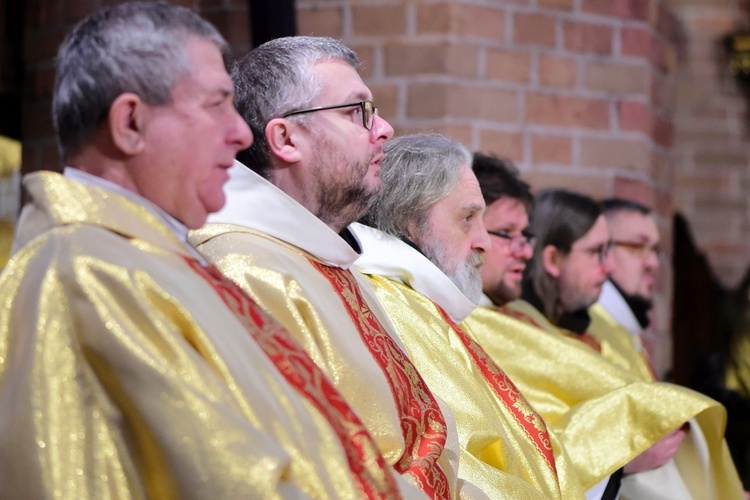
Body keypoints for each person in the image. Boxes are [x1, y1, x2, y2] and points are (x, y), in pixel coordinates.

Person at [0, 3, 410, 498]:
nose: (240, 134)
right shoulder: (94, 272)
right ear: (131, 123)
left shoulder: (150, 260)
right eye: (216, 105)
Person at [191, 36, 468, 499]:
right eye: (356, 111)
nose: (384, 128)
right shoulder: (242, 271)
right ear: (285, 138)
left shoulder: (327, 257)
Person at [465, 154, 747, 498]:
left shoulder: (517, 315)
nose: (524, 250)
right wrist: (618, 456)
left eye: (524, 235)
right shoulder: (476, 322)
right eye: (508, 234)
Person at [354, 133, 587, 499]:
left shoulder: (422, 303)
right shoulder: (393, 306)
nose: (486, 242)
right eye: (467, 218)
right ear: (411, 222)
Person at [590, 198, 662, 380]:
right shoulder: (593, 332)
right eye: (638, 246)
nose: (653, 263)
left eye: (655, 249)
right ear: (603, 248)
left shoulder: (621, 326)